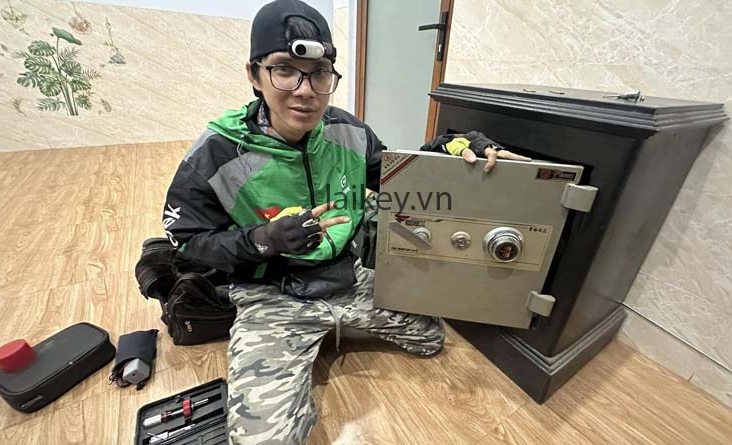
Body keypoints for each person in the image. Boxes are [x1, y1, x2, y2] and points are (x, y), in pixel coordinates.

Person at [161, 1, 530, 443]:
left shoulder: (349, 131)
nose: (305, 91)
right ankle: (309, 331)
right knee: (264, 439)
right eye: (285, 70)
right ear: (254, 75)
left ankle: (334, 323)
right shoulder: (218, 150)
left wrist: (454, 146)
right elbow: (187, 239)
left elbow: (396, 177)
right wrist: (262, 240)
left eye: (319, 73)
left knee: (431, 338)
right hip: (272, 292)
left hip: (346, 276)